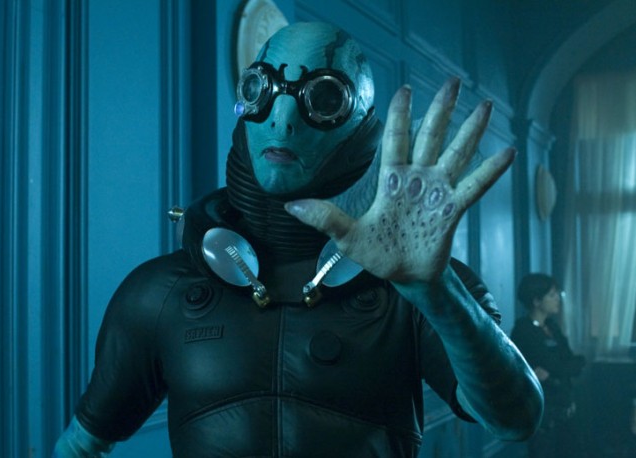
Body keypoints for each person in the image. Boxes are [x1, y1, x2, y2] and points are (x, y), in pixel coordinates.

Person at [53, 22, 543, 457]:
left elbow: (515, 419)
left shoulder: (415, 288)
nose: (282, 119)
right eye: (261, 89)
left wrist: (437, 295)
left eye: (324, 99)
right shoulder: (160, 293)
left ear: (362, 128)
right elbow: (80, 444)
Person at [511, 273, 586, 458]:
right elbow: (556, 365)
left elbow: (575, 363)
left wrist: (559, 370)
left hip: (565, 408)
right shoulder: (524, 331)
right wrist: (563, 368)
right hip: (543, 415)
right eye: (552, 295)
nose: (557, 299)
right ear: (537, 301)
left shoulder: (552, 327)